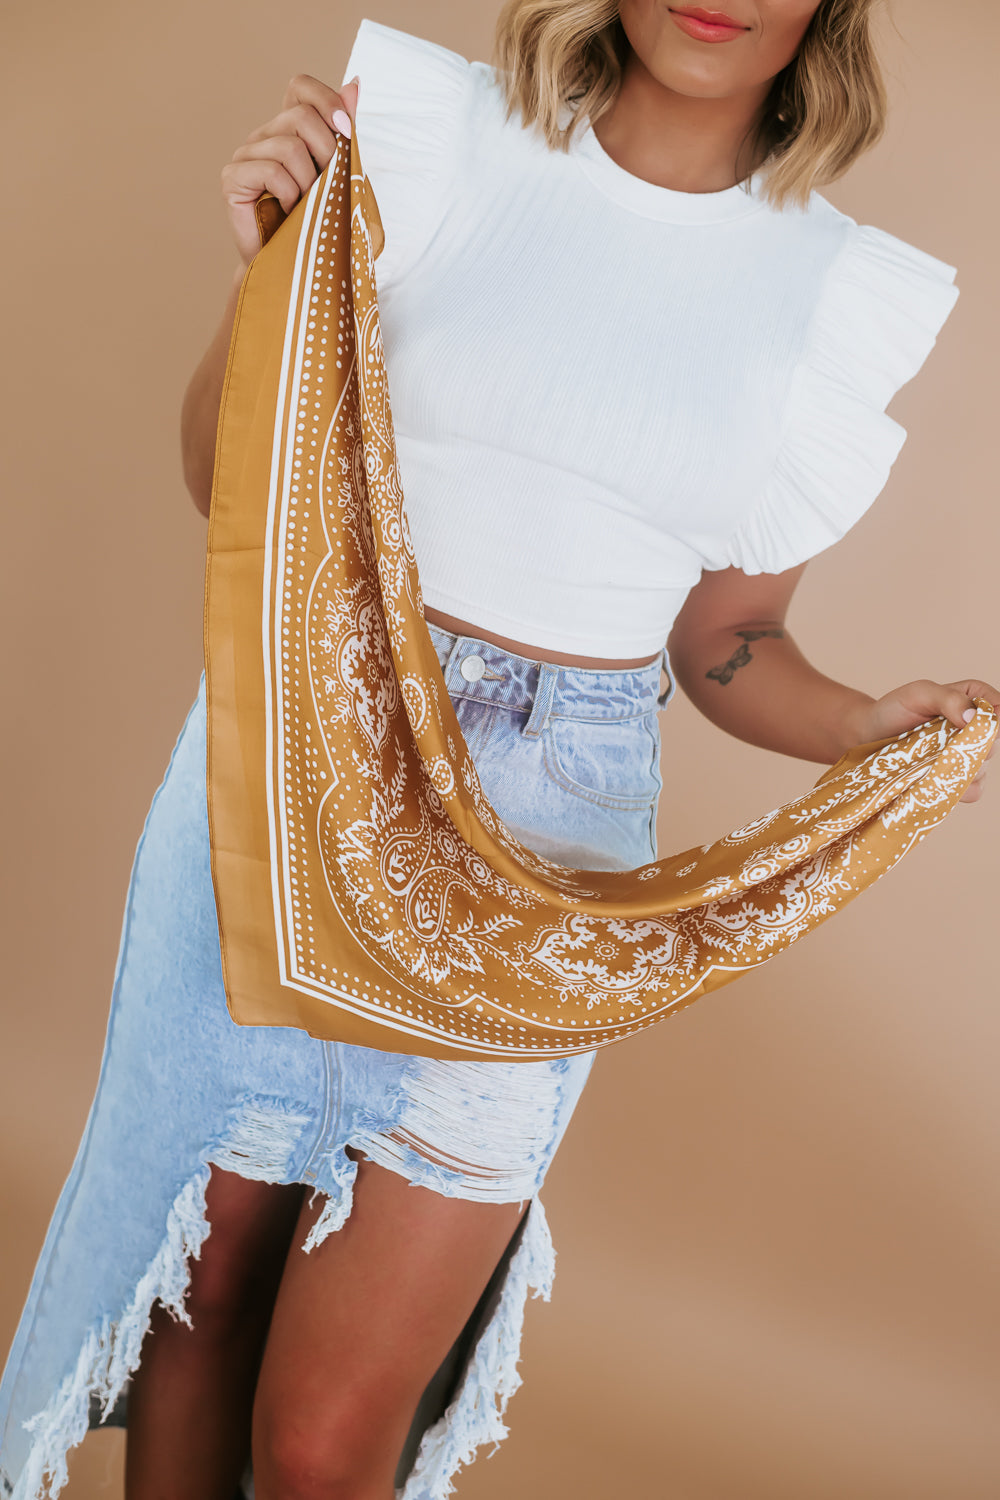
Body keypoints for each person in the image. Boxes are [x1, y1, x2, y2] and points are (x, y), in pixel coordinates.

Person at [1, 4, 996, 1498]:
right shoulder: (428, 134)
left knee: (325, 1441)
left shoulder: (832, 292)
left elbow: (727, 641)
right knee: (194, 1326)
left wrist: (863, 724)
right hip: (294, 765)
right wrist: (270, 266)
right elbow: (231, 480)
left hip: (547, 848)